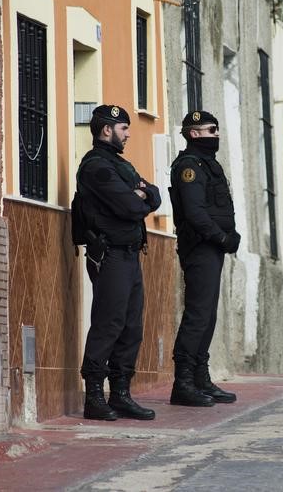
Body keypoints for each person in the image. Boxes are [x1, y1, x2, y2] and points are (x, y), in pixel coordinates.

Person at [73, 104, 161, 421]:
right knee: (108, 324)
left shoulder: (119, 165)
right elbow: (131, 207)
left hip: (129, 254)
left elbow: (154, 194)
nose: (127, 134)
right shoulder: (96, 167)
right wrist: (138, 196)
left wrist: (142, 193)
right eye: (124, 129)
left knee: (131, 326)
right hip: (109, 255)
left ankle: (121, 394)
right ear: (107, 130)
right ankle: (95, 396)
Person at [168, 110, 240, 407]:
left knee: (208, 315)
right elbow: (195, 213)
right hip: (200, 246)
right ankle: (183, 383)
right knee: (197, 315)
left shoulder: (208, 165)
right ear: (194, 133)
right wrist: (221, 237)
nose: (217, 135)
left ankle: (200, 377)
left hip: (211, 247)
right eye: (212, 130)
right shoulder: (190, 166)